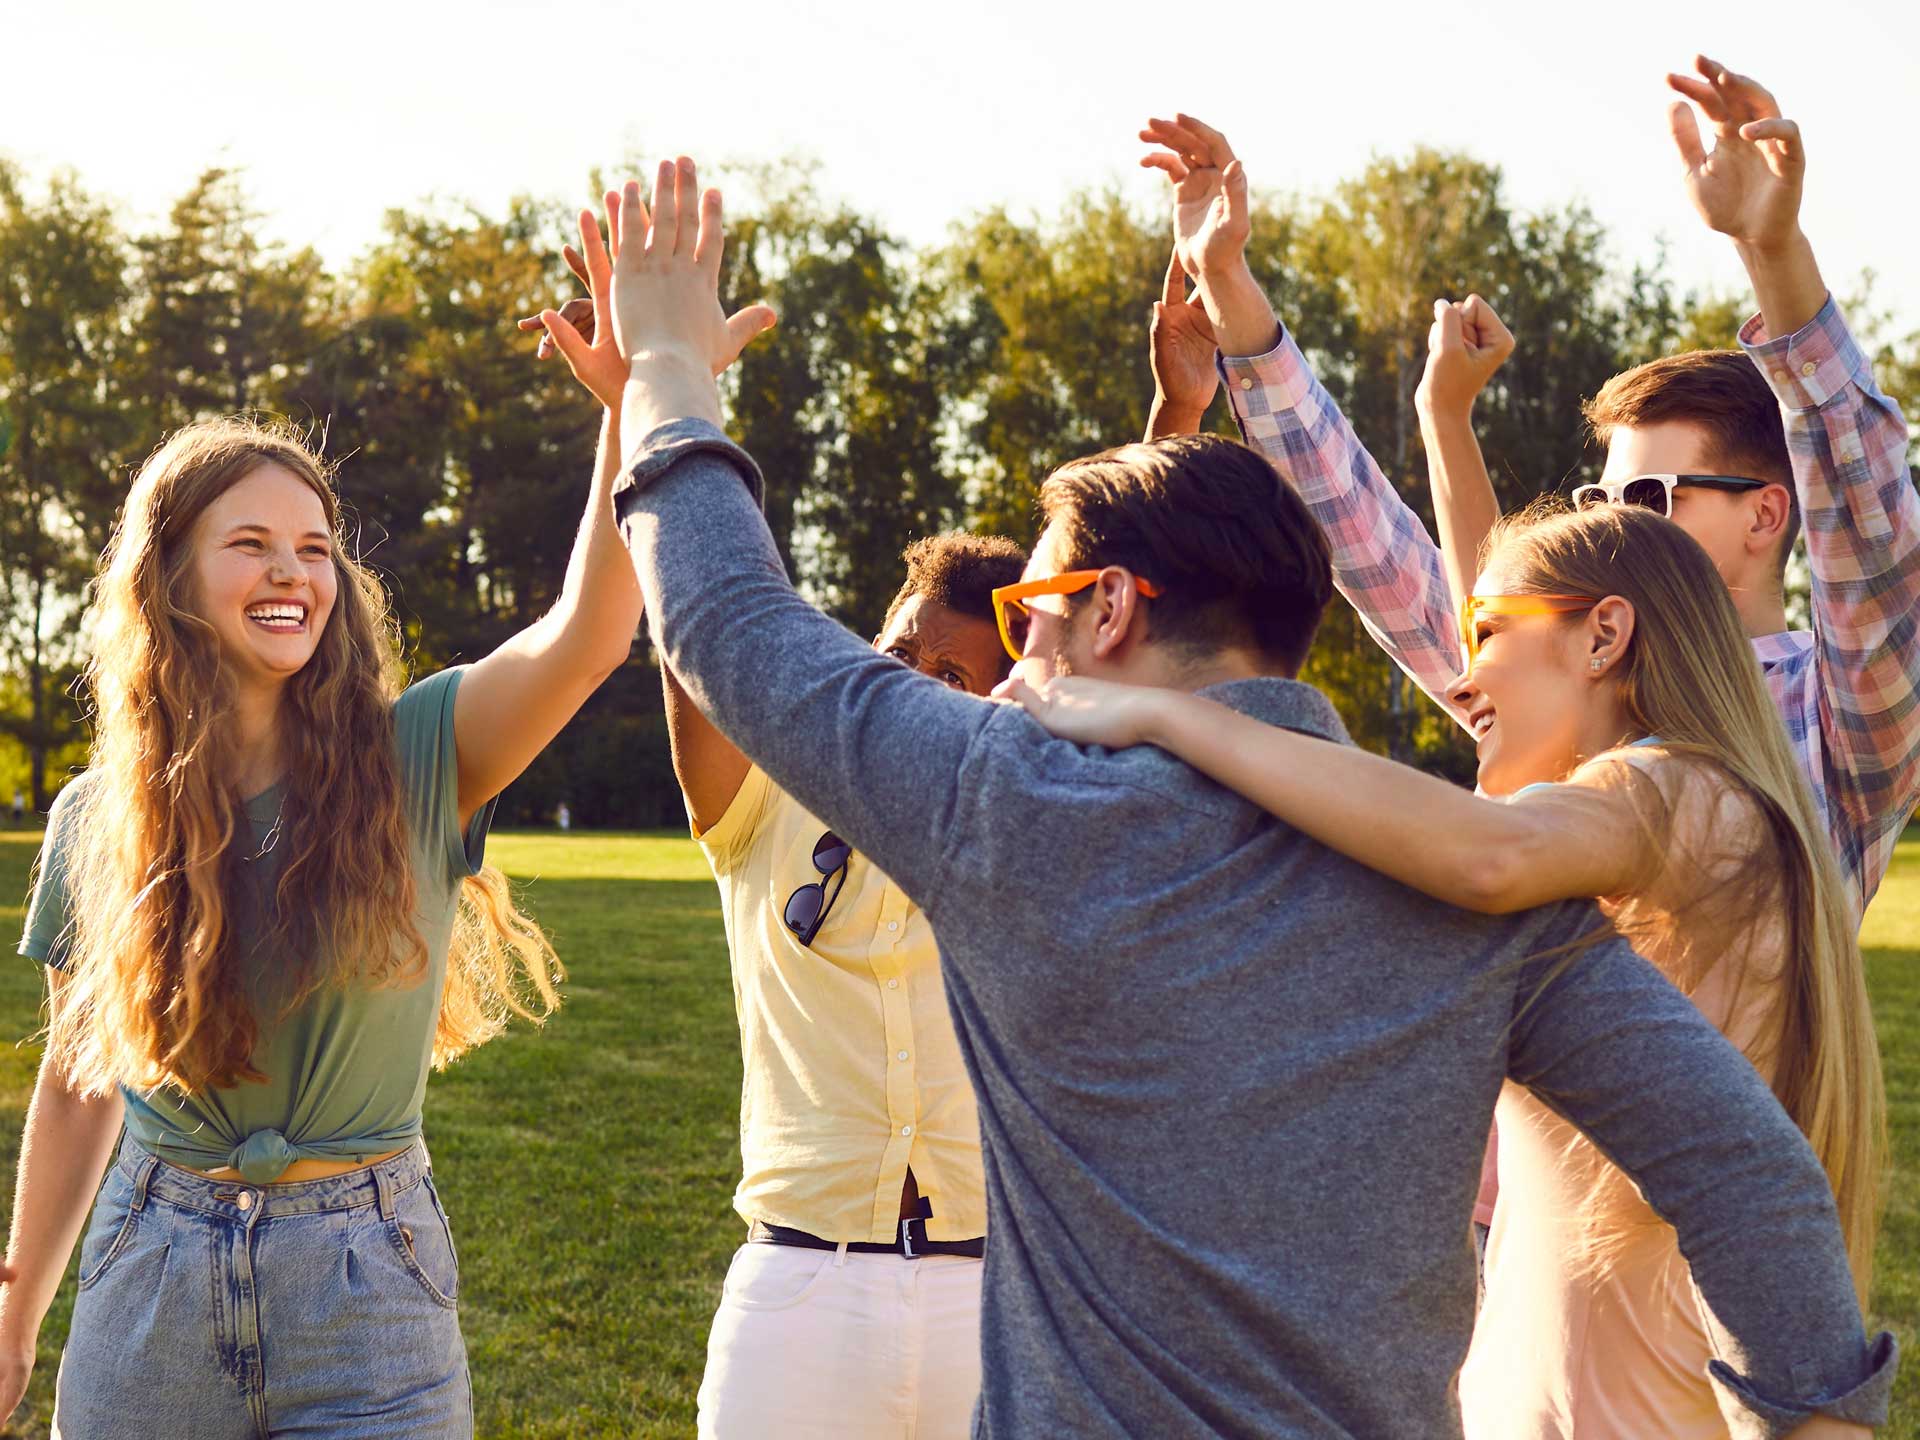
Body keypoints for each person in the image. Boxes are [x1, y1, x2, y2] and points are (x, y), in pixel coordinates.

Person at [604, 156, 1894, 1437]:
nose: (1015, 657)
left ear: (1107, 610)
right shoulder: (1476, 883)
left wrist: (668, 372)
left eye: (1028, 613)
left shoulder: (1004, 802)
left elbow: (726, 618)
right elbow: (1749, 1174)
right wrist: (1817, 1419)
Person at [1004, 498, 1887, 1437]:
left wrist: (1162, 716)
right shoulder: (1707, 805)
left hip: (1625, 1400)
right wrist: (1444, 414)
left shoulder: (1674, 787)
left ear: (1605, 637)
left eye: (1489, 633)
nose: (1461, 685)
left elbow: (1485, 857)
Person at [1, 296, 641, 1433]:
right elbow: (78, 1082)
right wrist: (13, 1319)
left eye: (313, 548)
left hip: (368, 1276)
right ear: (170, 578)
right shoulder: (97, 817)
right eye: (248, 544)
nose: (290, 570)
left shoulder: (421, 749)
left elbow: (590, 634)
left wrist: (628, 408)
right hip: (148, 1274)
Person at [1144, 68, 1920, 913]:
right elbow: (1376, 552)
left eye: (1652, 497)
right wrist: (1226, 283)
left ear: (1767, 512)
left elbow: (1868, 528)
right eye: (1602, 499)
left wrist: (1772, 252)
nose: (1615, 527)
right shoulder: (1569, 669)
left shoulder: (1837, 714)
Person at [526, 194, 1023, 1437]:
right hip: (801, 1289)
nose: (908, 685)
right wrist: (651, 392)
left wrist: (1173, 416)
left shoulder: (1032, 818)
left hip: (1001, 1296)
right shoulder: (765, 799)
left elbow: (1107, 636)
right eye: (897, 652)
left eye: (952, 677)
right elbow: (701, 639)